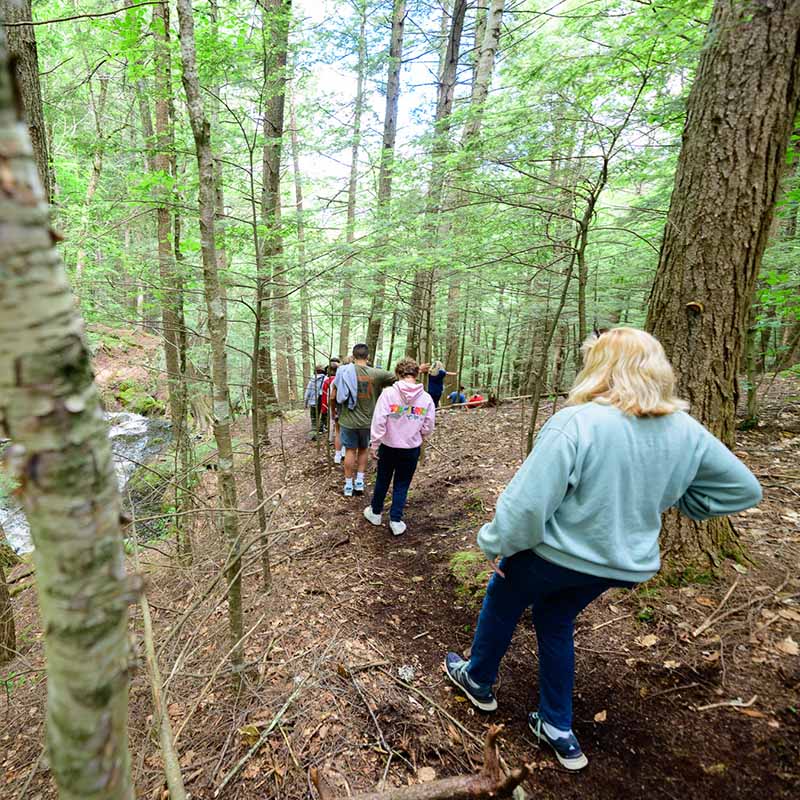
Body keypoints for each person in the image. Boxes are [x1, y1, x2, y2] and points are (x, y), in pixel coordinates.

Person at [444, 327, 762, 771]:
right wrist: (687, 501)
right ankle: (557, 727)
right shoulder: (685, 430)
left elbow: (529, 504)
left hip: (556, 554)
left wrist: (495, 544)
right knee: (555, 618)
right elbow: (743, 489)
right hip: (620, 566)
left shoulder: (578, 421)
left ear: (601, 366)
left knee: (503, 596)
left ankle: (477, 679)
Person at [363, 358, 436, 535]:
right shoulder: (426, 398)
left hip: (388, 446)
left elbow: (379, 420)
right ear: (416, 374)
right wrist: (420, 435)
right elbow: (428, 425)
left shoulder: (388, 394)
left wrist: (374, 444)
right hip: (411, 448)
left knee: (382, 479)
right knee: (402, 484)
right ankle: (396, 520)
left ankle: (375, 512)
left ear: (398, 374)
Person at [331, 343, 397, 497]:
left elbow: (333, 396)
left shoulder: (343, 372)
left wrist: (334, 411)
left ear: (353, 357)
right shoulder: (377, 374)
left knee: (349, 451)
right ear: (368, 357)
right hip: (368, 421)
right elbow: (399, 378)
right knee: (363, 450)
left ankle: (348, 485)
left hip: (348, 420)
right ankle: (359, 482)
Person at [321, 358, 345, 464]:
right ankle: (343, 451)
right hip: (345, 409)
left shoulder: (328, 381)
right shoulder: (345, 379)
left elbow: (328, 396)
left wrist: (325, 407)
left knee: (337, 430)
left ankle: (337, 454)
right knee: (344, 431)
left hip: (334, 407)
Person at [303, 365, 326, 436]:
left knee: (314, 416)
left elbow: (308, 391)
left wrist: (305, 401)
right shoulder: (326, 378)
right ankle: (321, 429)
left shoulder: (312, 379)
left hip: (313, 401)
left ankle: (314, 430)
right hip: (323, 401)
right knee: (322, 415)